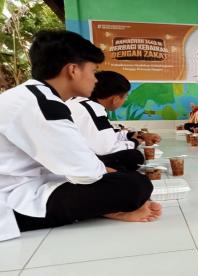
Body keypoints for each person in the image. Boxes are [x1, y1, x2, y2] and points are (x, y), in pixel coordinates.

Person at [0, 30, 161, 241]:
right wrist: (110, 173)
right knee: (135, 185)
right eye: (93, 71)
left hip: (34, 182)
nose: (95, 80)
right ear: (73, 70)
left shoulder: (35, 97)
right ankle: (109, 209)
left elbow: (78, 161)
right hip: (13, 200)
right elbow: (87, 173)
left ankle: (108, 208)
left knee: (124, 178)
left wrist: (103, 170)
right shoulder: (42, 104)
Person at [66, 71, 161, 171]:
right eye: (125, 96)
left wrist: (137, 135)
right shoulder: (94, 109)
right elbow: (106, 148)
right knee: (134, 157)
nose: (125, 100)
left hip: (72, 156)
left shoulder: (80, 102)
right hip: (77, 162)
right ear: (115, 99)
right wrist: (134, 142)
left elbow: (105, 135)